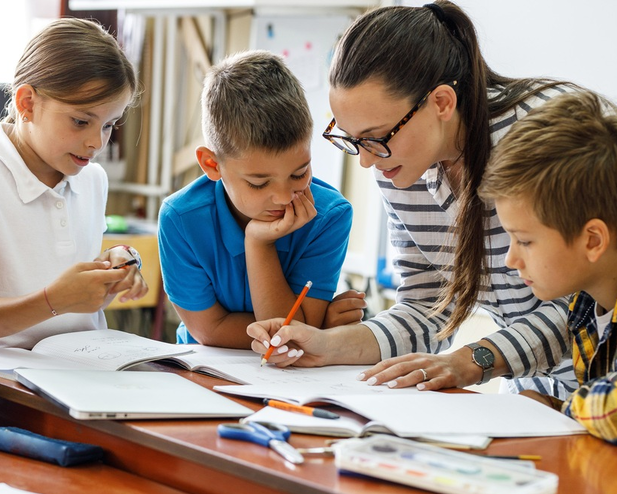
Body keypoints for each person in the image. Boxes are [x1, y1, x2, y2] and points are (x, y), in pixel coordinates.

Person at [247, 0, 579, 398]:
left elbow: (588, 303)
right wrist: (325, 346)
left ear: (441, 102)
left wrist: (474, 360)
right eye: (353, 140)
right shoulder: (401, 166)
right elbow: (426, 309)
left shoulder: (542, 133)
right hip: (539, 385)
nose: (368, 161)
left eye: (377, 137)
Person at [0, 18, 147, 352]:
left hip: (85, 365)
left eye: (109, 125)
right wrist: (54, 299)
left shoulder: (93, 178)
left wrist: (113, 266)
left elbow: (71, 283)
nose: (96, 143)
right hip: (4, 378)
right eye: (81, 121)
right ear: (28, 103)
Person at [158, 50, 353, 348]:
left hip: (293, 380)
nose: (285, 196)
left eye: (300, 174)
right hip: (202, 371)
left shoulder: (329, 216)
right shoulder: (181, 219)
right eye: (259, 183)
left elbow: (292, 336)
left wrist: (259, 244)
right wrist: (316, 326)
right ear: (212, 165)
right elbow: (209, 331)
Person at [478, 91, 617, 442]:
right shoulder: (585, 306)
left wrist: (563, 409)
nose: (511, 259)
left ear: (592, 241)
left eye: (524, 240)